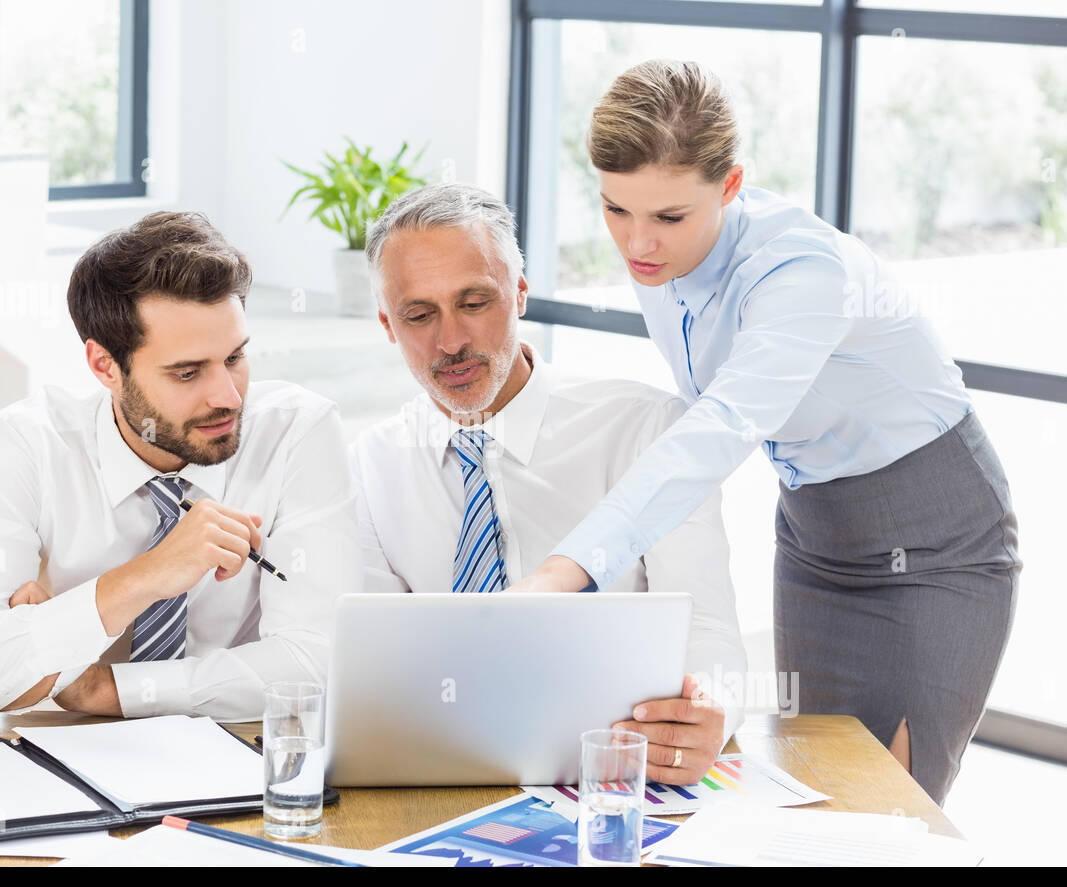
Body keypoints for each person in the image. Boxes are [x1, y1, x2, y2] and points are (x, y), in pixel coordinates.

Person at [512, 59, 1021, 805]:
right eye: (615, 210)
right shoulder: (658, 250)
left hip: (935, 545)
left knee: (884, 812)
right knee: (812, 801)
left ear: (730, 185)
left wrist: (566, 571)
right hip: (816, 538)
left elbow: (717, 429)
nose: (637, 243)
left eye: (668, 218)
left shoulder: (801, 271)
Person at [350, 181, 748, 784]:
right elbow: (375, 669)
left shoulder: (645, 429)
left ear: (521, 294)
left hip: (613, 772)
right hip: (440, 774)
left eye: (475, 302)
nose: (450, 341)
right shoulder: (372, 466)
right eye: (419, 314)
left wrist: (712, 708)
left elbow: (711, 628)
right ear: (387, 323)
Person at [0, 211, 361, 725]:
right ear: (105, 365)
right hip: (63, 752)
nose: (227, 396)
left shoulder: (297, 434)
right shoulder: (25, 444)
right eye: (187, 372)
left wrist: (108, 688)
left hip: (237, 753)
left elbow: (317, 668)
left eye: (236, 357)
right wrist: (142, 579)